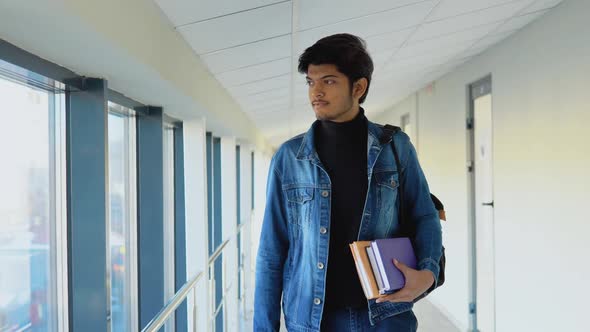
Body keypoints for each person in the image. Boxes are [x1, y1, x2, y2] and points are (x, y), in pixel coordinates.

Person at [254, 33, 442, 332]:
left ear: (359, 87)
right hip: (314, 321)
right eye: (310, 81)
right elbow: (271, 252)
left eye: (328, 81)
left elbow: (424, 215)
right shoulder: (290, 158)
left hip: (386, 316)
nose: (316, 91)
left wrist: (429, 273)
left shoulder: (395, 147)